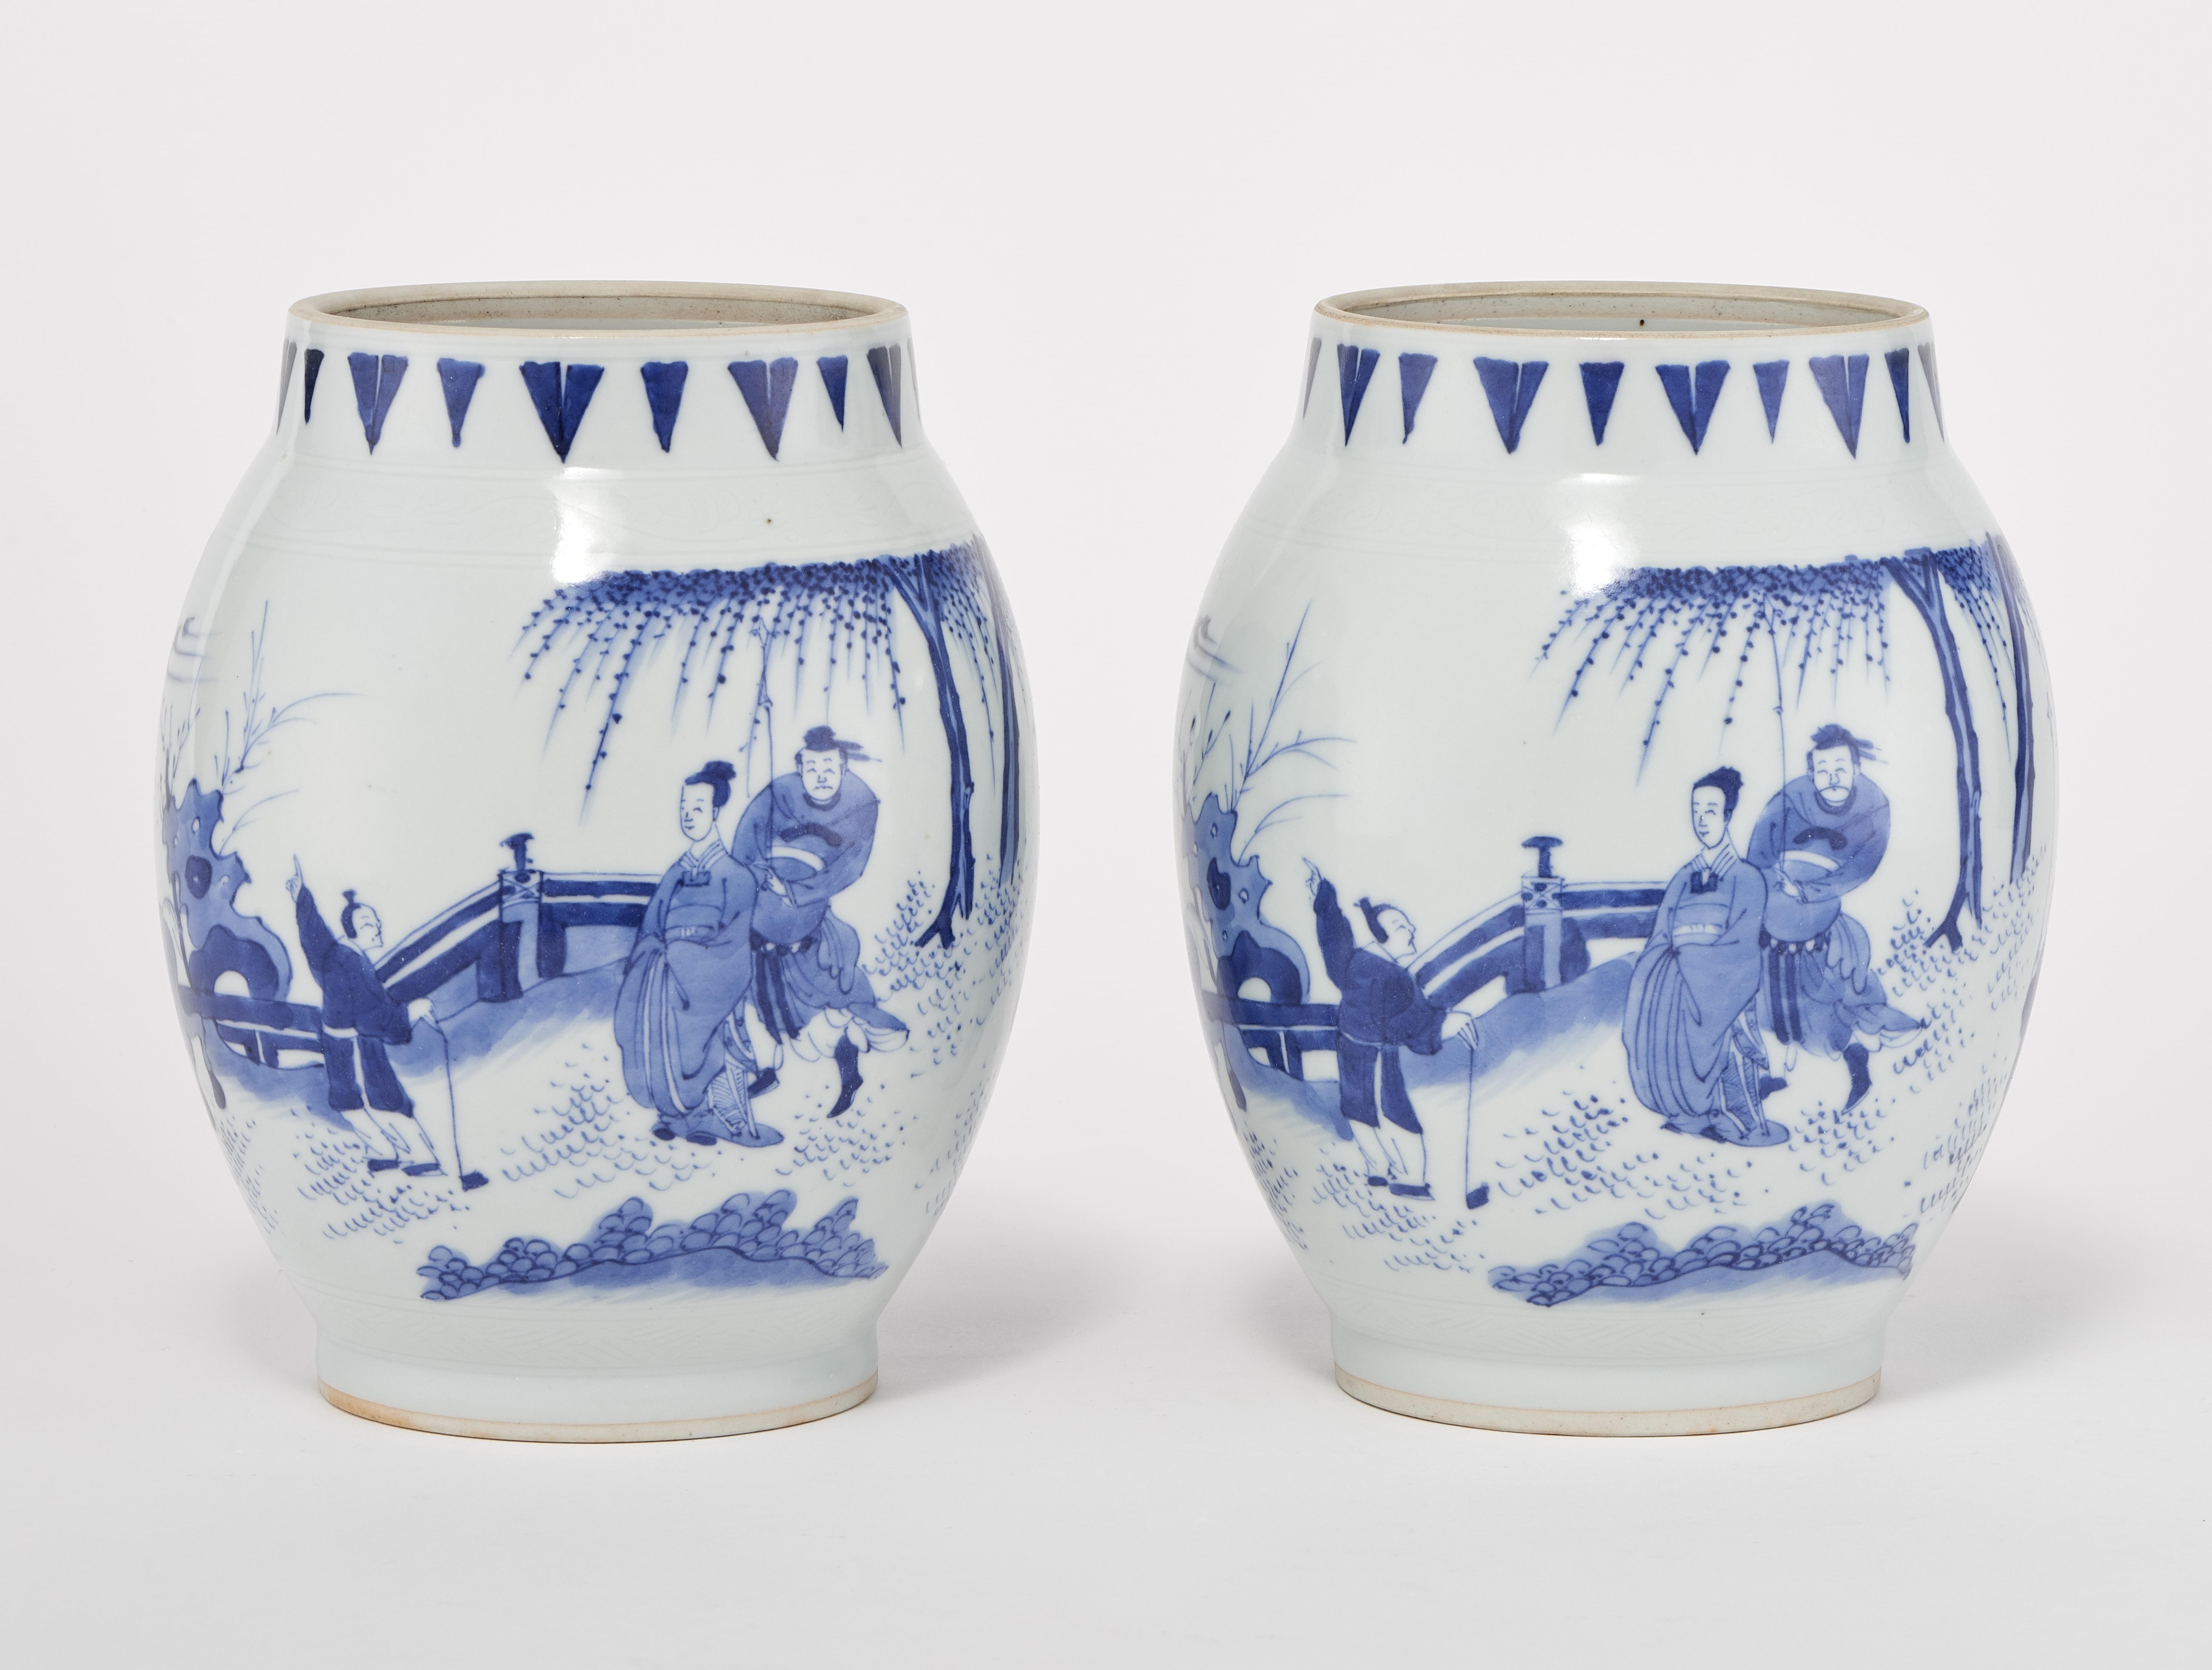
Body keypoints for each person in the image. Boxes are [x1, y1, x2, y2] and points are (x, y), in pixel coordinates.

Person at [731, 727, 907, 1119]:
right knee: (757, 1000)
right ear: (800, 768)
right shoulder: (778, 795)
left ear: (843, 767)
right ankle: (765, 1071)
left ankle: (850, 1076)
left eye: (830, 767)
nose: (821, 776)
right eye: (812, 768)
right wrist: (758, 880)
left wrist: (796, 891)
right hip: (763, 918)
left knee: (832, 1007)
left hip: (811, 925)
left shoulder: (861, 804)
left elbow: (849, 868)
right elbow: (745, 845)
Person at [1745, 725, 1922, 1110]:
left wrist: (1809, 892)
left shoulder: (1874, 808)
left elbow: (1861, 868)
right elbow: (1758, 853)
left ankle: (1856, 1063)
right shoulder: (1789, 800)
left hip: (1824, 915)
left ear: (1856, 768)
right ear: (1811, 774)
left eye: (1841, 769)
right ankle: (1775, 1072)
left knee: (1830, 995)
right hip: (1778, 912)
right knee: (1769, 997)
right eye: (1823, 771)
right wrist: (1770, 887)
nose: (1833, 778)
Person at [613, 761, 780, 1147]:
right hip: (667, 975)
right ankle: (676, 1117)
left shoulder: (735, 875)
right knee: (659, 1039)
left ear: (716, 812)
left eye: (699, 808)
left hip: (708, 977)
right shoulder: (676, 872)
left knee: (719, 1047)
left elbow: (735, 938)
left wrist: (688, 960)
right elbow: (652, 924)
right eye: (684, 808)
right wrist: (652, 957)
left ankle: (722, 1120)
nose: (689, 816)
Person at [289, 861, 483, 1188]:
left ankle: (402, 1152)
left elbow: (313, 934)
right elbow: (374, 1015)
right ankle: (415, 1154)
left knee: (358, 1101)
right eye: (368, 924)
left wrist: (302, 898)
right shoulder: (351, 965)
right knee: (379, 1100)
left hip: (342, 1041)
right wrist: (411, 1013)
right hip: (355, 1043)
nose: (376, 928)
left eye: (375, 922)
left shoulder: (335, 954)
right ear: (351, 931)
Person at [1624, 768, 1788, 1147]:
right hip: (1679, 978)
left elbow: (1742, 942)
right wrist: (1662, 969)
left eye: (1711, 811)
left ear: (1728, 815)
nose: (1701, 819)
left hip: (1723, 981)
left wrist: (1694, 963)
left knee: (1735, 1047)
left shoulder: (1747, 878)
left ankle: (1745, 1123)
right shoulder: (1684, 877)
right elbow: (1661, 934)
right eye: (1696, 810)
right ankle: (1689, 1114)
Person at [1305, 862, 1482, 1204]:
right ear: (1380, 935)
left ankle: (1378, 1169)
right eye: (1401, 926)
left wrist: (1324, 898)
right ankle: (1412, 1179)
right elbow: (1410, 1025)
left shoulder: (1351, 963)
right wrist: (1446, 1023)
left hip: (1350, 1050)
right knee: (1394, 1115)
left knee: (1358, 1111)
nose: (1411, 930)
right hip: (1374, 1056)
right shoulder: (1394, 978)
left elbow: (1334, 938)